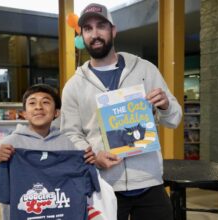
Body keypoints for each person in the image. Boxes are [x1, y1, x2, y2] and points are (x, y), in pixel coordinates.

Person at [60, 3, 182, 220]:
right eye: (87, 29)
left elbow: (174, 119)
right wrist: (94, 156)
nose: (95, 34)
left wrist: (165, 105)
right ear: (82, 35)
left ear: (113, 30)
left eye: (101, 26)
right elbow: (70, 134)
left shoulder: (145, 69)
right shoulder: (74, 85)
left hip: (149, 183)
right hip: (103, 186)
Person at [0, 84, 96, 220]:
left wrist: (88, 161)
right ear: (24, 113)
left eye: (45, 102)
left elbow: (83, 184)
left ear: (56, 112)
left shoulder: (67, 144)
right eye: (32, 103)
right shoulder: (9, 144)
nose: (38, 106)